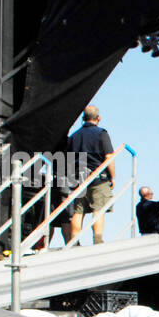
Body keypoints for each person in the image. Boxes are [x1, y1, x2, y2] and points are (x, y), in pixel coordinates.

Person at [66, 104, 116, 244]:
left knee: (78, 210)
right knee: (98, 208)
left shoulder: (74, 137)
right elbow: (109, 157)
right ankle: (98, 240)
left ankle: (75, 241)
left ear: (83, 118)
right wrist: (112, 176)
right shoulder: (101, 133)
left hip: (78, 177)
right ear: (98, 117)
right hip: (97, 176)